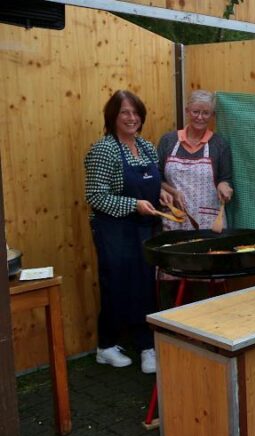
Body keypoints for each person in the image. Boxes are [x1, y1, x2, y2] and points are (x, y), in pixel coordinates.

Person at [84, 90, 172, 374]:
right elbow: (96, 196)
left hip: (144, 227)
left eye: (135, 112)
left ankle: (147, 346)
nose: (131, 118)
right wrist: (134, 204)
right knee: (117, 285)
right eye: (125, 112)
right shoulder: (104, 150)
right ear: (113, 116)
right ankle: (106, 346)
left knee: (146, 284)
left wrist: (164, 194)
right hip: (114, 229)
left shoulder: (146, 147)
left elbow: (153, 183)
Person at [158, 90, 233, 229]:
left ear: (212, 115)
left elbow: (226, 179)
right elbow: (157, 177)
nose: (200, 117)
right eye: (195, 112)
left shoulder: (219, 144)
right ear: (187, 111)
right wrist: (172, 192)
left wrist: (224, 186)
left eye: (206, 113)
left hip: (209, 222)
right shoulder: (168, 141)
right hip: (175, 219)